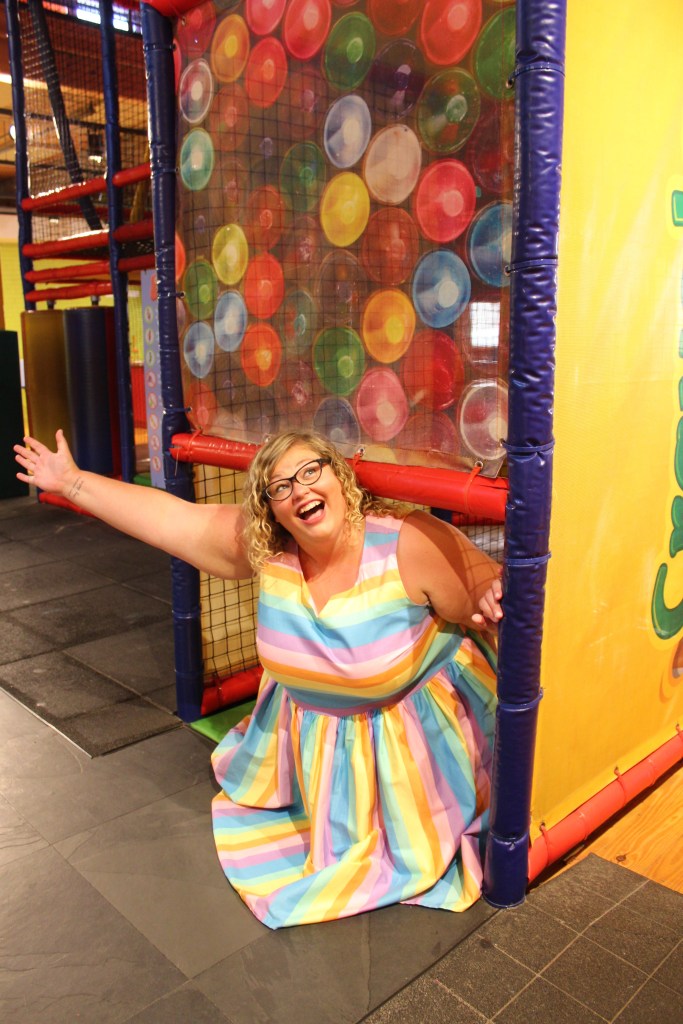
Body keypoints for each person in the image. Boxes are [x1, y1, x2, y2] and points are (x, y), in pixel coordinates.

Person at [15, 428, 503, 929]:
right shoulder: (271, 549)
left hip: (419, 747)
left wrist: (491, 597)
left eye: (311, 471)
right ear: (272, 509)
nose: (300, 490)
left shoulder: (408, 541)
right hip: (316, 741)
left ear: (340, 476)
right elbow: (170, 520)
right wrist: (72, 483)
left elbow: (490, 593)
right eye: (281, 486)